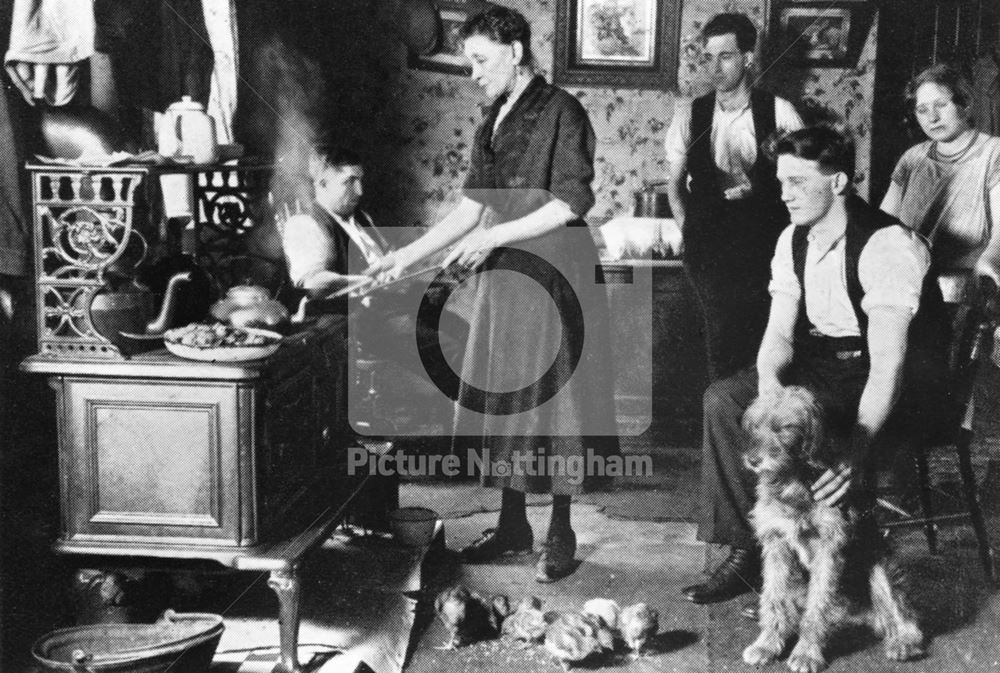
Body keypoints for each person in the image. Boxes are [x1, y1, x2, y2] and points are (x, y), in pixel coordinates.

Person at [368, 5, 619, 583]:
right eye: (469, 61)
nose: (474, 72)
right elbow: (472, 206)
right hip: (506, 277)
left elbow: (569, 203)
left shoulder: (563, 111)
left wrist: (493, 236)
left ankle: (560, 528)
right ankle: (512, 526)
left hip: (556, 273)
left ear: (516, 50)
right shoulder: (492, 119)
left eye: (481, 60)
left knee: (556, 402)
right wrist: (406, 255)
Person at [681, 127, 949, 613]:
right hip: (825, 363)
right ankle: (749, 548)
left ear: (839, 181)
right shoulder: (792, 239)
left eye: (799, 182)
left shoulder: (887, 245)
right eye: (781, 181)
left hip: (897, 378)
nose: (785, 194)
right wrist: (768, 389)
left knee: (820, 422)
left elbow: (888, 365)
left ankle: (833, 560)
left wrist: (857, 452)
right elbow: (780, 333)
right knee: (724, 399)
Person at [665, 13, 804, 382]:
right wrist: (690, 229)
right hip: (709, 249)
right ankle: (724, 426)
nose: (714, 68)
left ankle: (763, 428)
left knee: (767, 341)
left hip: (766, 248)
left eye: (724, 56)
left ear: (746, 57)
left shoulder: (780, 112)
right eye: (707, 58)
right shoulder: (689, 115)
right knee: (718, 339)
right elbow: (675, 186)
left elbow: (804, 180)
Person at [281, 144, 465, 402]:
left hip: (386, 307)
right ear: (322, 183)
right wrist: (362, 280)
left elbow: (388, 260)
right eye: (349, 181)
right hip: (352, 321)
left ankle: (466, 414)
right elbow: (313, 282)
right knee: (452, 351)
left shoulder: (361, 218)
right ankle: (471, 420)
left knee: (466, 331)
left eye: (360, 180)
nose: (360, 190)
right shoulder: (305, 224)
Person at [880, 63, 1000, 294]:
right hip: (909, 278)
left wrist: (990, 261)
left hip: (966, 282)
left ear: (964, 105)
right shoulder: (913, 157)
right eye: (922, 110)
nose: (932, 118)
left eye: (941, 105)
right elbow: (884, 223)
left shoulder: (993, 152)